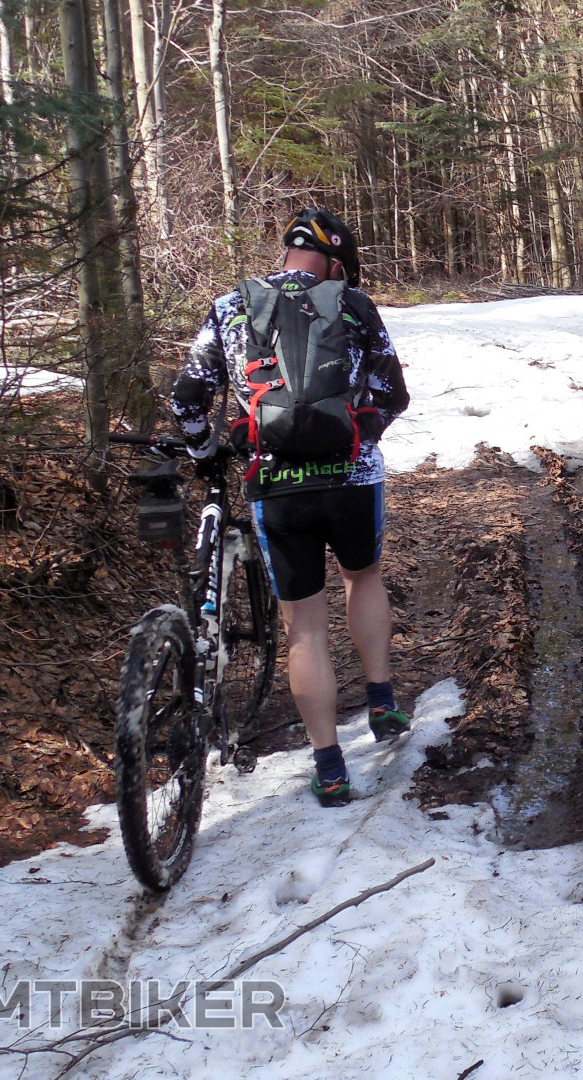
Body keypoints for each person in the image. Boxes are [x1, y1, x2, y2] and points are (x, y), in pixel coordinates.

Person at [171, 208, 412, 806]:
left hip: (276, 484)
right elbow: (392, 393)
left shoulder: (231, 306)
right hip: (352, 481)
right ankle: (382, 702)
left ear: (287, 253)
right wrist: (356, 434)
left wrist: (205, 451)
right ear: (336, 266)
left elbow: (187, 396)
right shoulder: (353, 305)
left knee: (303, 626)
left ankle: (330, 768)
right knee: (363, 577)